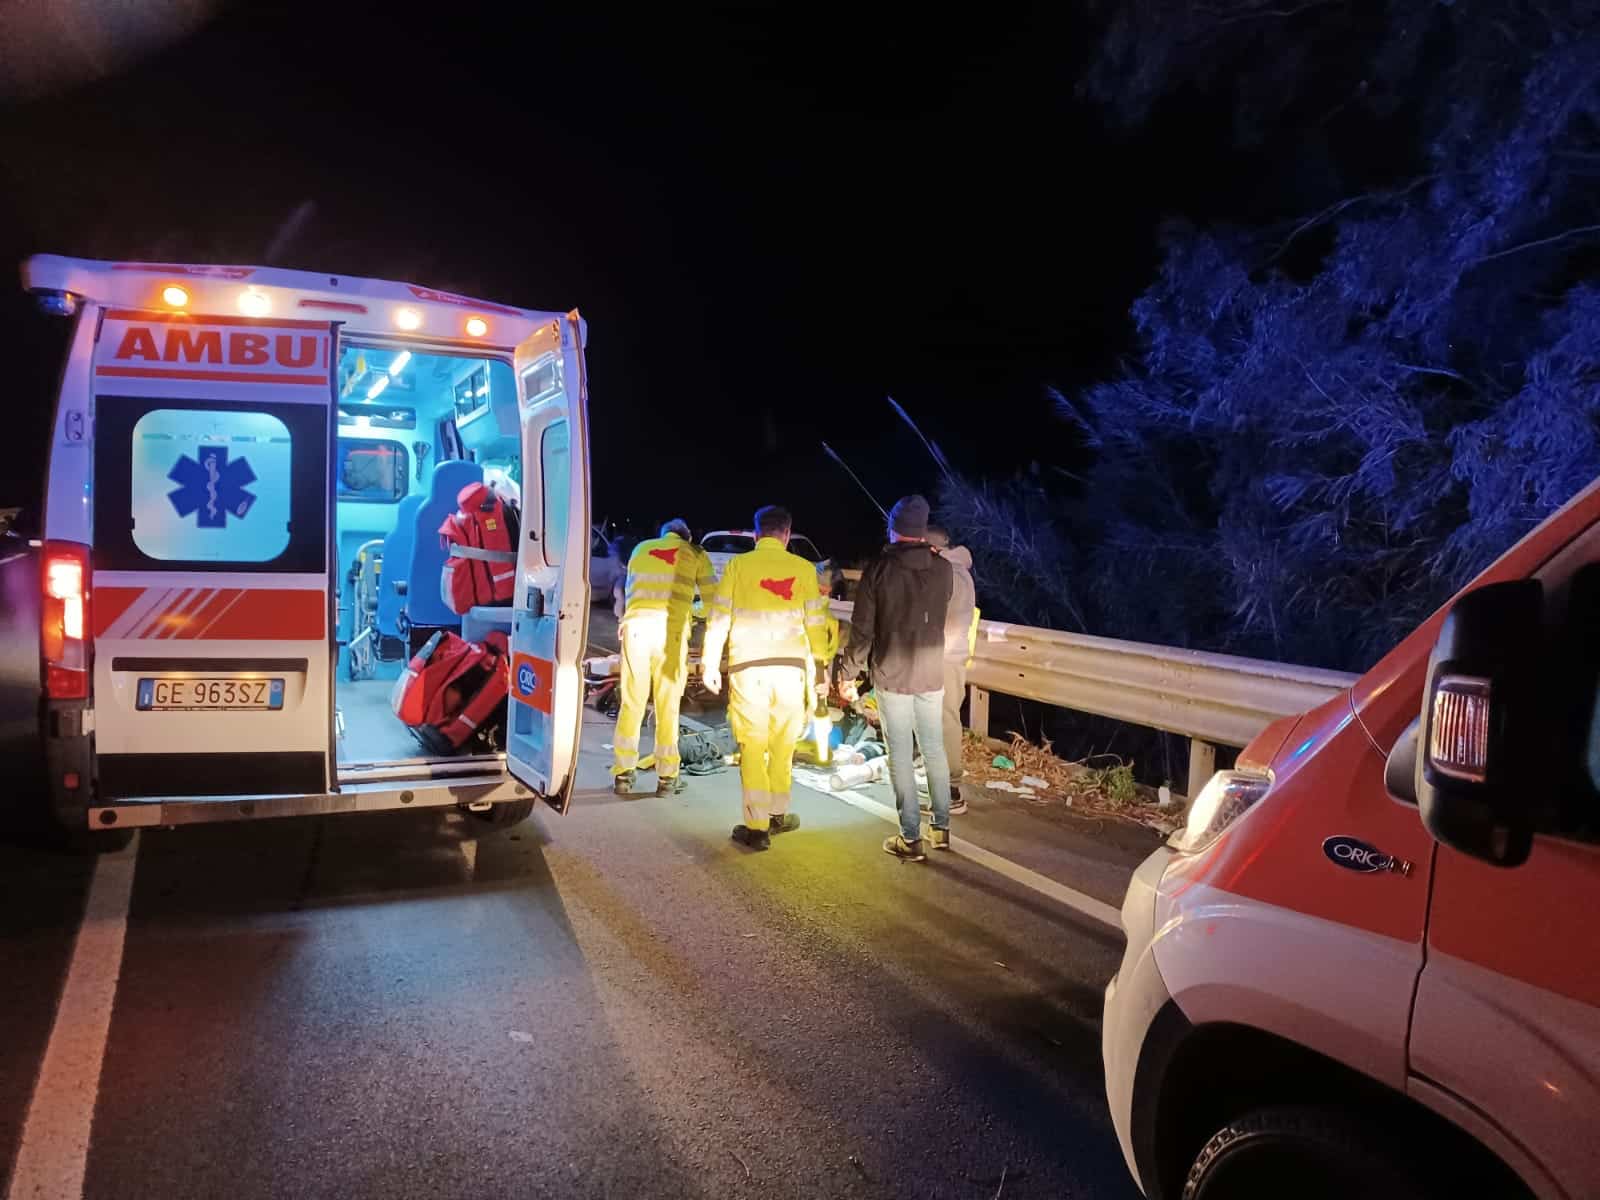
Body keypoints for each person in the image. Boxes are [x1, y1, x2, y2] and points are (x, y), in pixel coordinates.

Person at [701, 505, 830, 851]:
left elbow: (718, 619)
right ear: (787, 535)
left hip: (749, 671)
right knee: (783, 744)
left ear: (757, 534)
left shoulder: (738, 567)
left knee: (754, 747)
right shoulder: (804, 570)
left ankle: (757, 828)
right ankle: (777, 814)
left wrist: (710, 665)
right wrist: (821, 672)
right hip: (791, 672)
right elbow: (816, 624)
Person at [838, 495, 955, 861]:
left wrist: (847, 674)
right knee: (934, 748)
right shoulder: (944, 568)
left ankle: (910, 837)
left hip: (893, 673)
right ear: (922, 530)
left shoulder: (879, 569)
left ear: (893, 527)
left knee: (901, 756)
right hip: (932, 673)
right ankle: (941, 828)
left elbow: (862, 630)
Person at [612, 519, 716, 797]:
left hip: (635, 629)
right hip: (669, 631)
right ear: (687, 536)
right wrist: (692, 612)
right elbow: (713, 602)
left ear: (663, 535)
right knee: (667, 704)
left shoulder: (641, 549)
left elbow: (630, 590)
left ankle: (623, 773)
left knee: (632, 702)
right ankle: (667, 778)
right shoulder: (694, 553)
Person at [927, 525, 978, 816]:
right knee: (942, 718)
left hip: (941, 656)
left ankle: (949, 791)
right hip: (952, 655)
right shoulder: (961, 571)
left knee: (944, 720)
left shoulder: (947, 574)